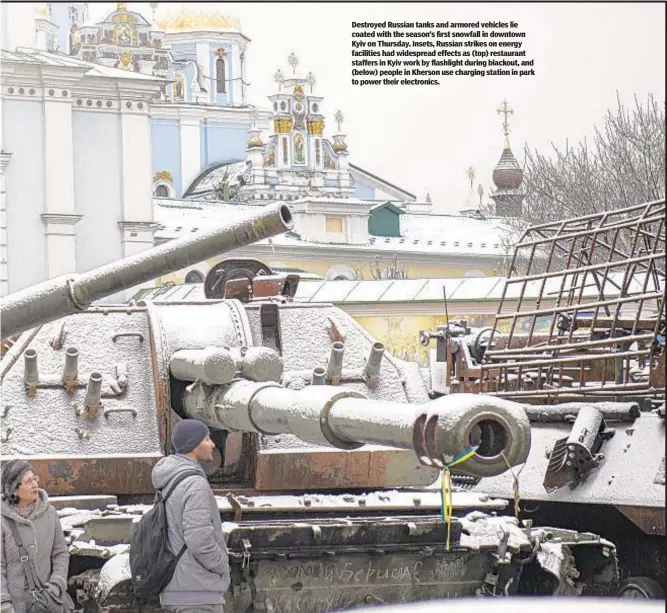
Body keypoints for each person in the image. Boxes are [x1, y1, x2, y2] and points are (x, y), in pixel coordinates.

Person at [152, 420, 230, 613]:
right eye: (206, 439)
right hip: (197, 594)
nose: (212, 444)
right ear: (193, 445)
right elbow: (199, 540)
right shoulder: (194, 484)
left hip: (177, 588)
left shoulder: (169, 481)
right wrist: (222, 564)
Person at [1, 460, 70, 613]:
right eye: (28, 481)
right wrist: (3, 603)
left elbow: (60, 553)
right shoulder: (2, 521)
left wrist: (56, 585)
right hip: (14, 607)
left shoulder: (50, 513)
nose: (34, 484)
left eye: (34, 479)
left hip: (45, 604)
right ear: (14, 490)